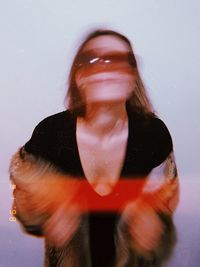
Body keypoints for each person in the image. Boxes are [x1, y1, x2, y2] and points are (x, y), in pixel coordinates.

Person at [9, 29, 179, 267]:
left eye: (119, 59)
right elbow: (21, 205)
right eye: (92, 59)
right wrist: (43, 212)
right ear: (79, 78)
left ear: (132, 77)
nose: (105, 66)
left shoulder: (153, 135)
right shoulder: (50, 134)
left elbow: (166, 201)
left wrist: (155, 221)